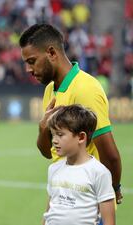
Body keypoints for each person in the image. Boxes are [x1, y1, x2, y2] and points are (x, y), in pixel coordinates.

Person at [19, 23, 122, 204]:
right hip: (61, 198)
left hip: (86, 203)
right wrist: (43, 129)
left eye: (32, 61)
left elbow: (110, 155)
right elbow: (49, 153)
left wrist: (112, 191)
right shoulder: (50, 90)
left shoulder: (84, 89)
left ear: (51, 53)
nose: (28, 69)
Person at [44, 104, 115, 225]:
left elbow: (109, 222)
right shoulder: (53, 169)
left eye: (60, 135)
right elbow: (49, 212)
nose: (54, 140)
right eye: (53, 134)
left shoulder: (99, 173)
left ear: (81, 137)